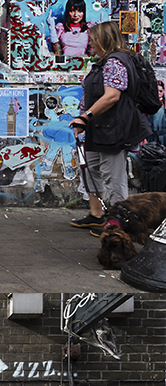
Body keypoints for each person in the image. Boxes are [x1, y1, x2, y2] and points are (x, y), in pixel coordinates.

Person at [69, 20, 150, 233]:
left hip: (114, 128)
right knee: (91, 168)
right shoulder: (103, 62)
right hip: (99, 127)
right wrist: (83, 119)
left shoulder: (115, 63)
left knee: (114, 178)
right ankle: (97, 215)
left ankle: (119, 225)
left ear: (103, 40)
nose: (90, 44)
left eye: (93, 40)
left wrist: (85, 117)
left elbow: (112, 96)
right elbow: (91, 95)